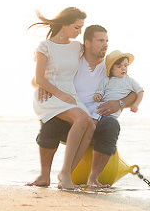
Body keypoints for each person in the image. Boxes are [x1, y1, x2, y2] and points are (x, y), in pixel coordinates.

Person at [28, 24, 138, 188]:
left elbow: (133, 93)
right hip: (70, 123)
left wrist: (119, 103)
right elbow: (40, 78)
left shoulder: (109, 69)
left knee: (111, 124)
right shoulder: (73, 63)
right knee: (50, 120)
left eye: (107, 41)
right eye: (100, 40)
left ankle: (93, 179)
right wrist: (41, 85)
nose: (105, 44)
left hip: (96, 125)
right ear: (87, 42)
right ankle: (44, 176)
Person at [30, 7, 96, 190]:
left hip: (70, 94)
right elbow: (39, 78)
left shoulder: (77, 47)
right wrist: (54, 91)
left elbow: (94, 59)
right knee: (82, 119)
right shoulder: (45, 47)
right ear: (64, 25)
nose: (80, 32)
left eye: (81, 27)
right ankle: (64, 174)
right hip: (50, 95)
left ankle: (66, 173)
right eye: (76, 27)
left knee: (90, 124)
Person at [94, 50, 144, 118]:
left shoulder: (129, 81)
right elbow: (100, 91)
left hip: (114, 112)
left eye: (125, 65)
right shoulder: (106, 80)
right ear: (111, 69)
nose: (123, 68)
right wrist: (97, 95)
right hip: (102, 108)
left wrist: (136, 105)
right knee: (94, 118)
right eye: (119, 67)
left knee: (109, 121)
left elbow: (140, 92)